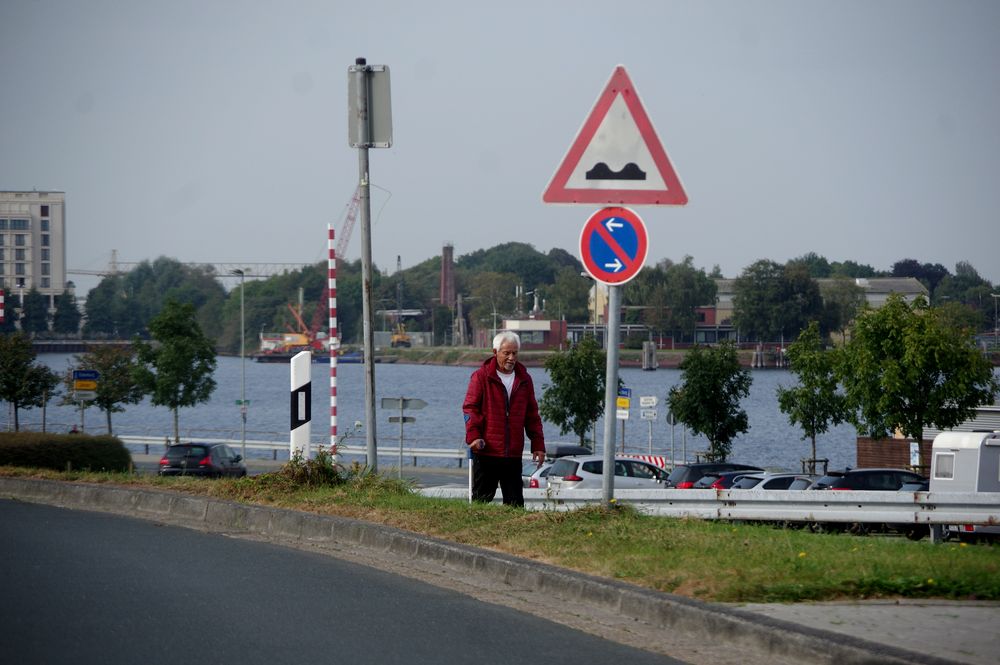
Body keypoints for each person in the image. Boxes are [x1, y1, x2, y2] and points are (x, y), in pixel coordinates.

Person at [463, 330, 545, 507]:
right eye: (506, 353)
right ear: (495, 352)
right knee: (481, 500)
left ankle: (514, 534)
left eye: (514, 353)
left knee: (515, 504)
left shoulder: (524, 379)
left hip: (513, 454)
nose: (511, 358)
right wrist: (474, 437)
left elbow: (532, 415)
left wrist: (538, 445)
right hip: (486, 451)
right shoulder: (481, 377)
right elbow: (470, 409)